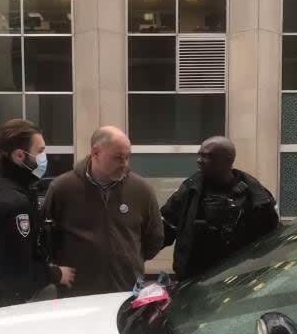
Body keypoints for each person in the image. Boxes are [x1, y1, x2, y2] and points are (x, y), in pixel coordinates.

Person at [0, 119, 75, 311]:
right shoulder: (13, 204)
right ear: (19, 155)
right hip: (6, 302)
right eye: (40, 151)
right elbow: (19, 275)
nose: (45, 156)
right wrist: (57, 274)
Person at [43, 126, 164, 296]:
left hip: (126, 289)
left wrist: (129, 259)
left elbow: (154, 238)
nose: (124, 164)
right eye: (118, 158)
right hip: (77, 293)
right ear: (96, 153)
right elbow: (47, 238)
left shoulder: (141, 190)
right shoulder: (63, 188)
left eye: (127, 157)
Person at [161, 136, 279, 280]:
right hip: (192, 280)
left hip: (237, 280)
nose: (199, 160)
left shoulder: (255, 196)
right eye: (199, 155)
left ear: (227, 160)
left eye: (207, 156)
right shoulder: (190, 189)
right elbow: (165, 229)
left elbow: (270, 240)